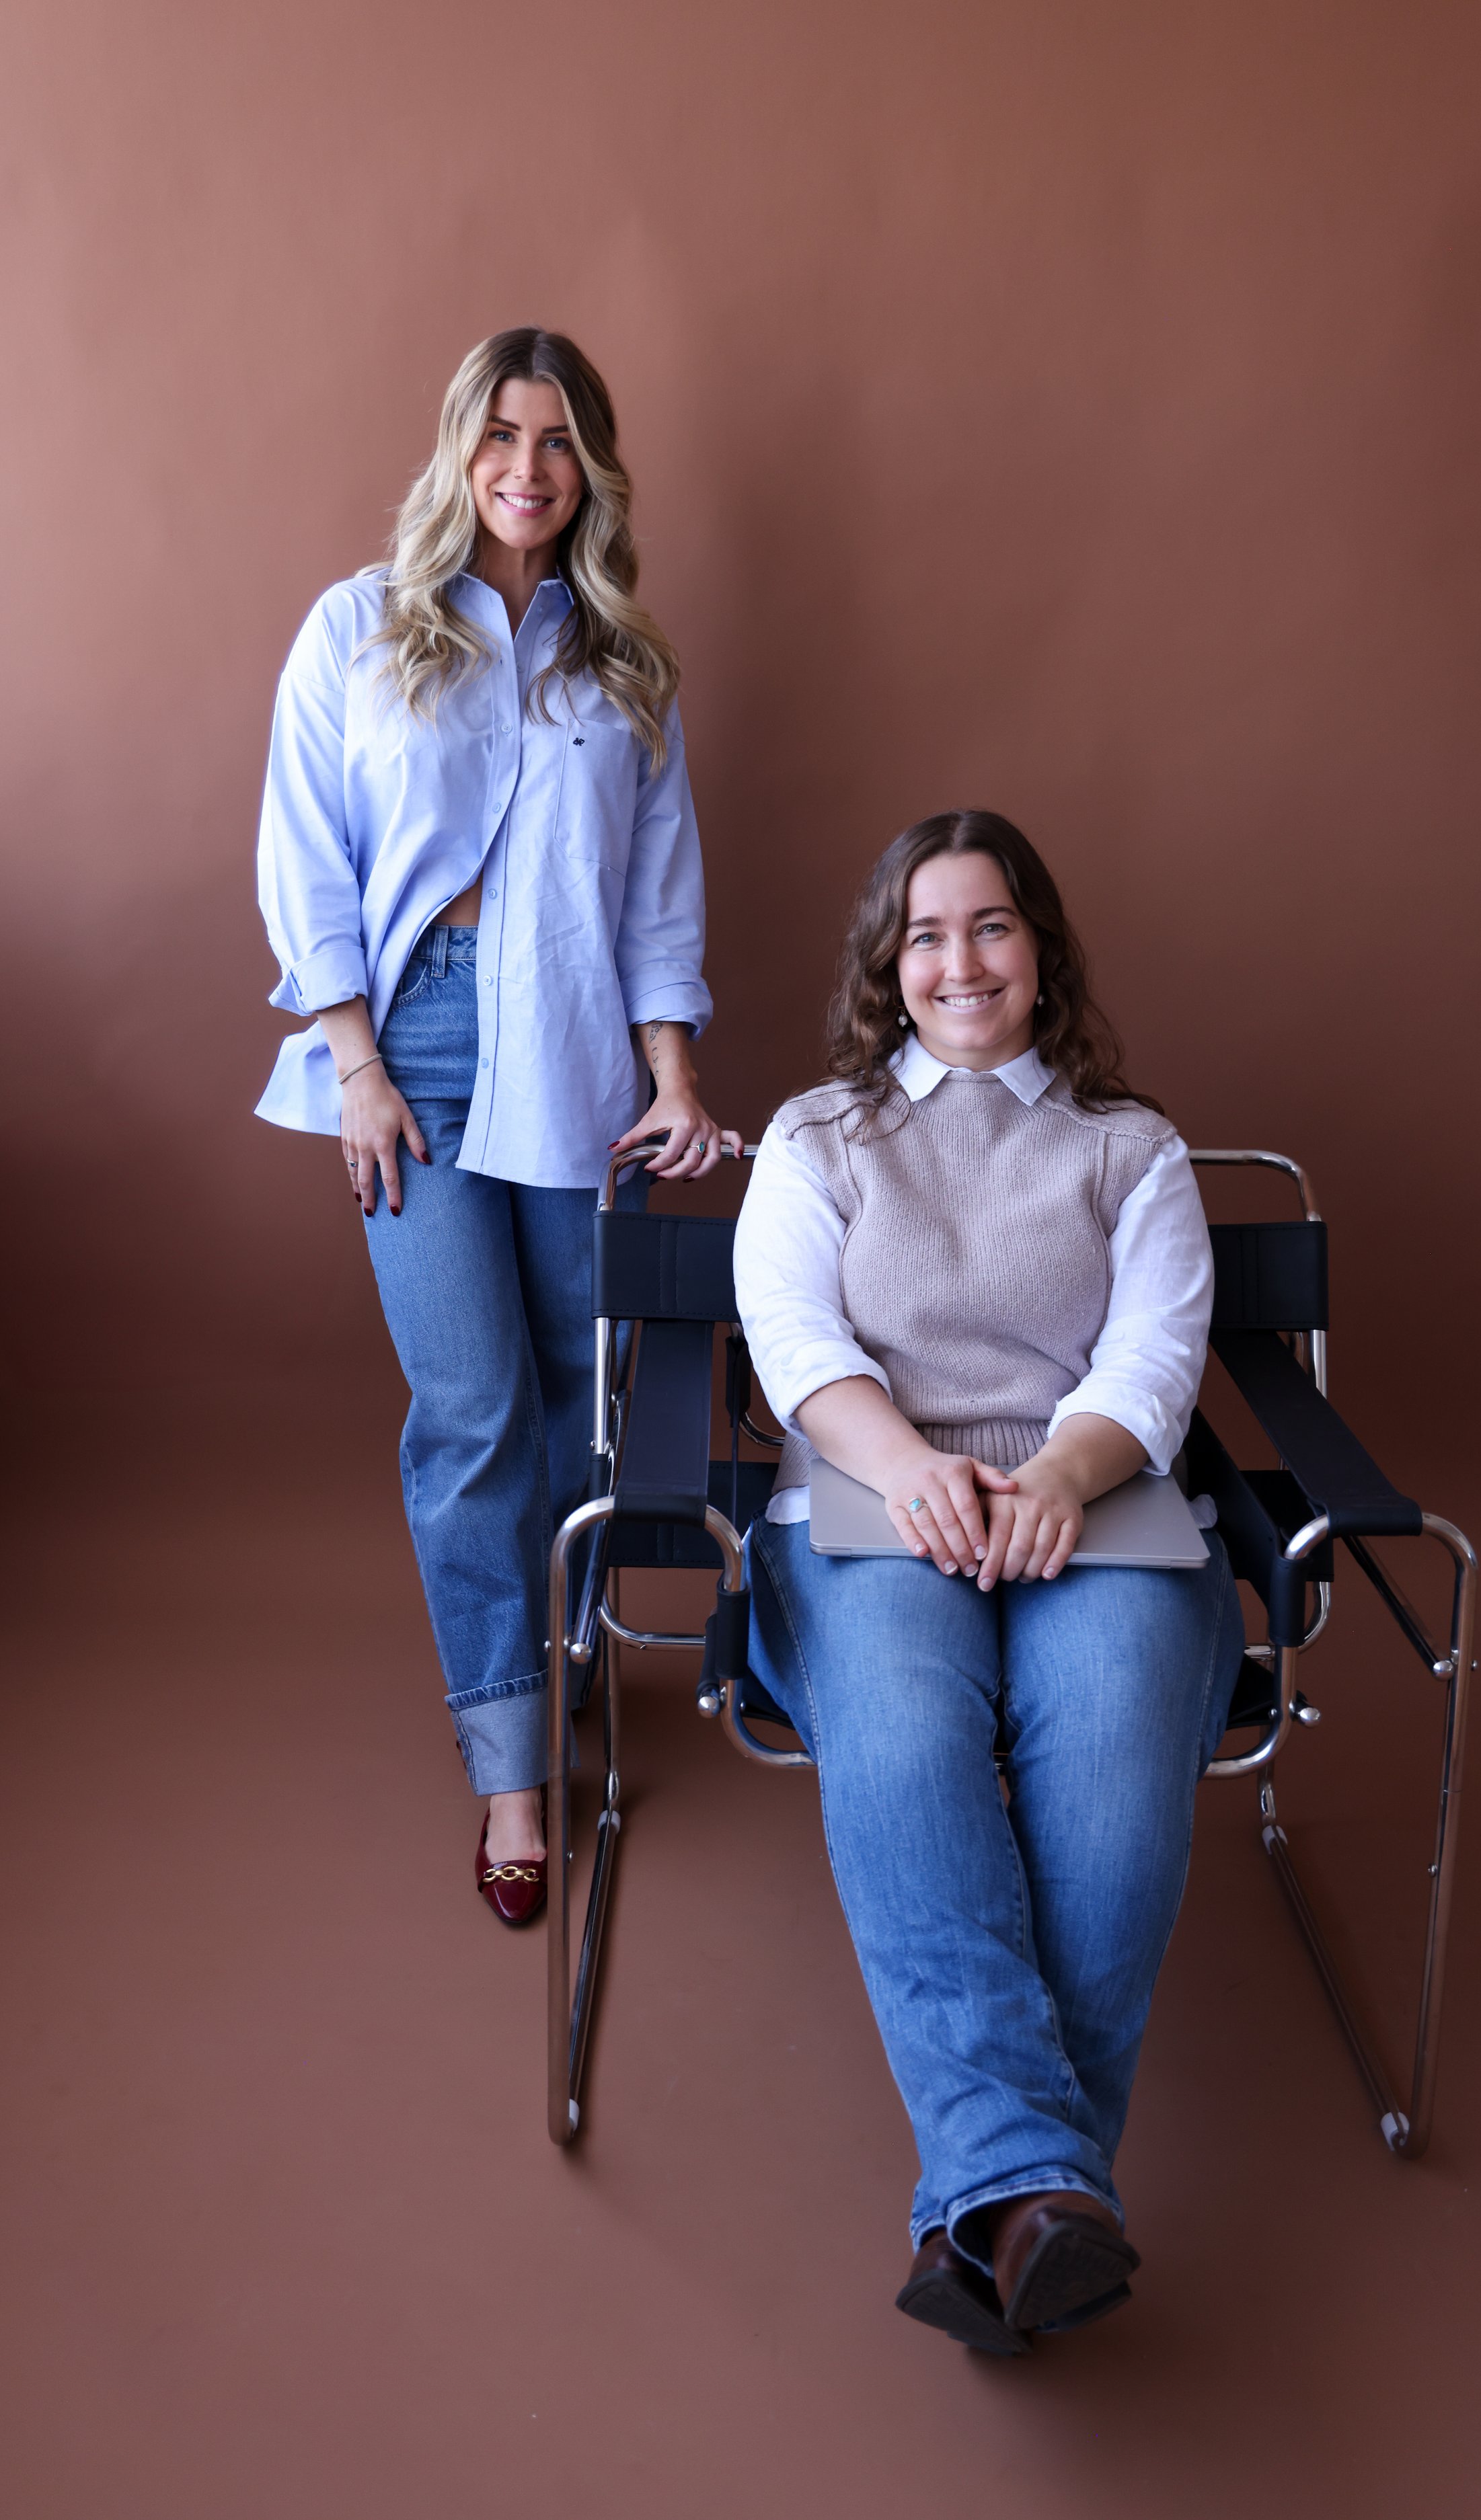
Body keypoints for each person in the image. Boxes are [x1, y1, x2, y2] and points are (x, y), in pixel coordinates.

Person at [732, 810, 1242, 2353]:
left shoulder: (1127, 1148)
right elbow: (797, 1343)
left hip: (1090, 1498)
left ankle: (1001, 2199)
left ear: (1041, 952)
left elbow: (1154, 1356)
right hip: (874, 1494)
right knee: (900, 1742)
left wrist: (1052, 1481)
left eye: (993, 926)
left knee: (1105, 1764)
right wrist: (912, 1469)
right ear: (891, 964)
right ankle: (1039, 2195)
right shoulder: (817, 1138)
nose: (961, 960)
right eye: (928, 932)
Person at [256, 327, 737, 1926]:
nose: (525, 469)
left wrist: (672, 1077)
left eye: (557, 442)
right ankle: (511, 1771)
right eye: (499, 436)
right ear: (457, 452)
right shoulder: (357, 627)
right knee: (468, 1412)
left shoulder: (624, 665)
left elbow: (659, 901)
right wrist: (353, 1064)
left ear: (591, 469)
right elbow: (304, 857)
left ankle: (567, 1654)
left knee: (574, 1408)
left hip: (576, 1061)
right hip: (412, 1046)